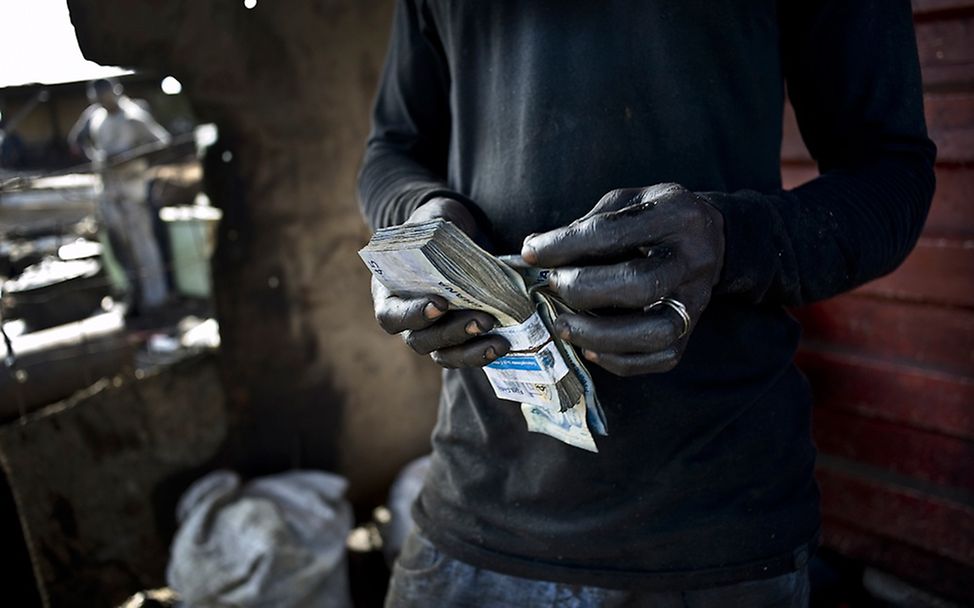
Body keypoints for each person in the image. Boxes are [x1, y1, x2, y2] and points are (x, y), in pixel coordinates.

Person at [358, 2, 935, 606]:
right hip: (473, 508)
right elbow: (392, 149)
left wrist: (732, 240)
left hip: (712, 527)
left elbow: (893, 172)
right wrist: (418, 226)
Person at [69, 78, 171, 313]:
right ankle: (133, 297)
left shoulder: (134, 115)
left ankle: (157, 299)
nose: (104, 104)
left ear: (116, 93)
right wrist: (95, 158)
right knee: (121, 248)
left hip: (132, 190)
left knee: (144, 245)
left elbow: (161, 143)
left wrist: (130, 157)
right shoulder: (94, 116)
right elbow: (75, 141)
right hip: (108, 190)